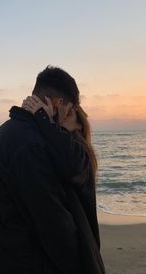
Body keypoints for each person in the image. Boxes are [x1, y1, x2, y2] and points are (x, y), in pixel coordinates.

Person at [0, 66, 83, 274]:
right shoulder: (31, 145)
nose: (66, 119)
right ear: (57, 104)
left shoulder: (4, 131)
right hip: (20, 263)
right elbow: (51, 218)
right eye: (68, 111)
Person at [22, 95, 105, 274]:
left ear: (80, 124)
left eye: (69, 115)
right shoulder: (62, 145)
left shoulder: (79, 150)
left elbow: (69, 164)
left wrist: (43, 118)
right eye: (62, 115)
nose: (62, 117)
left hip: (81, 237)